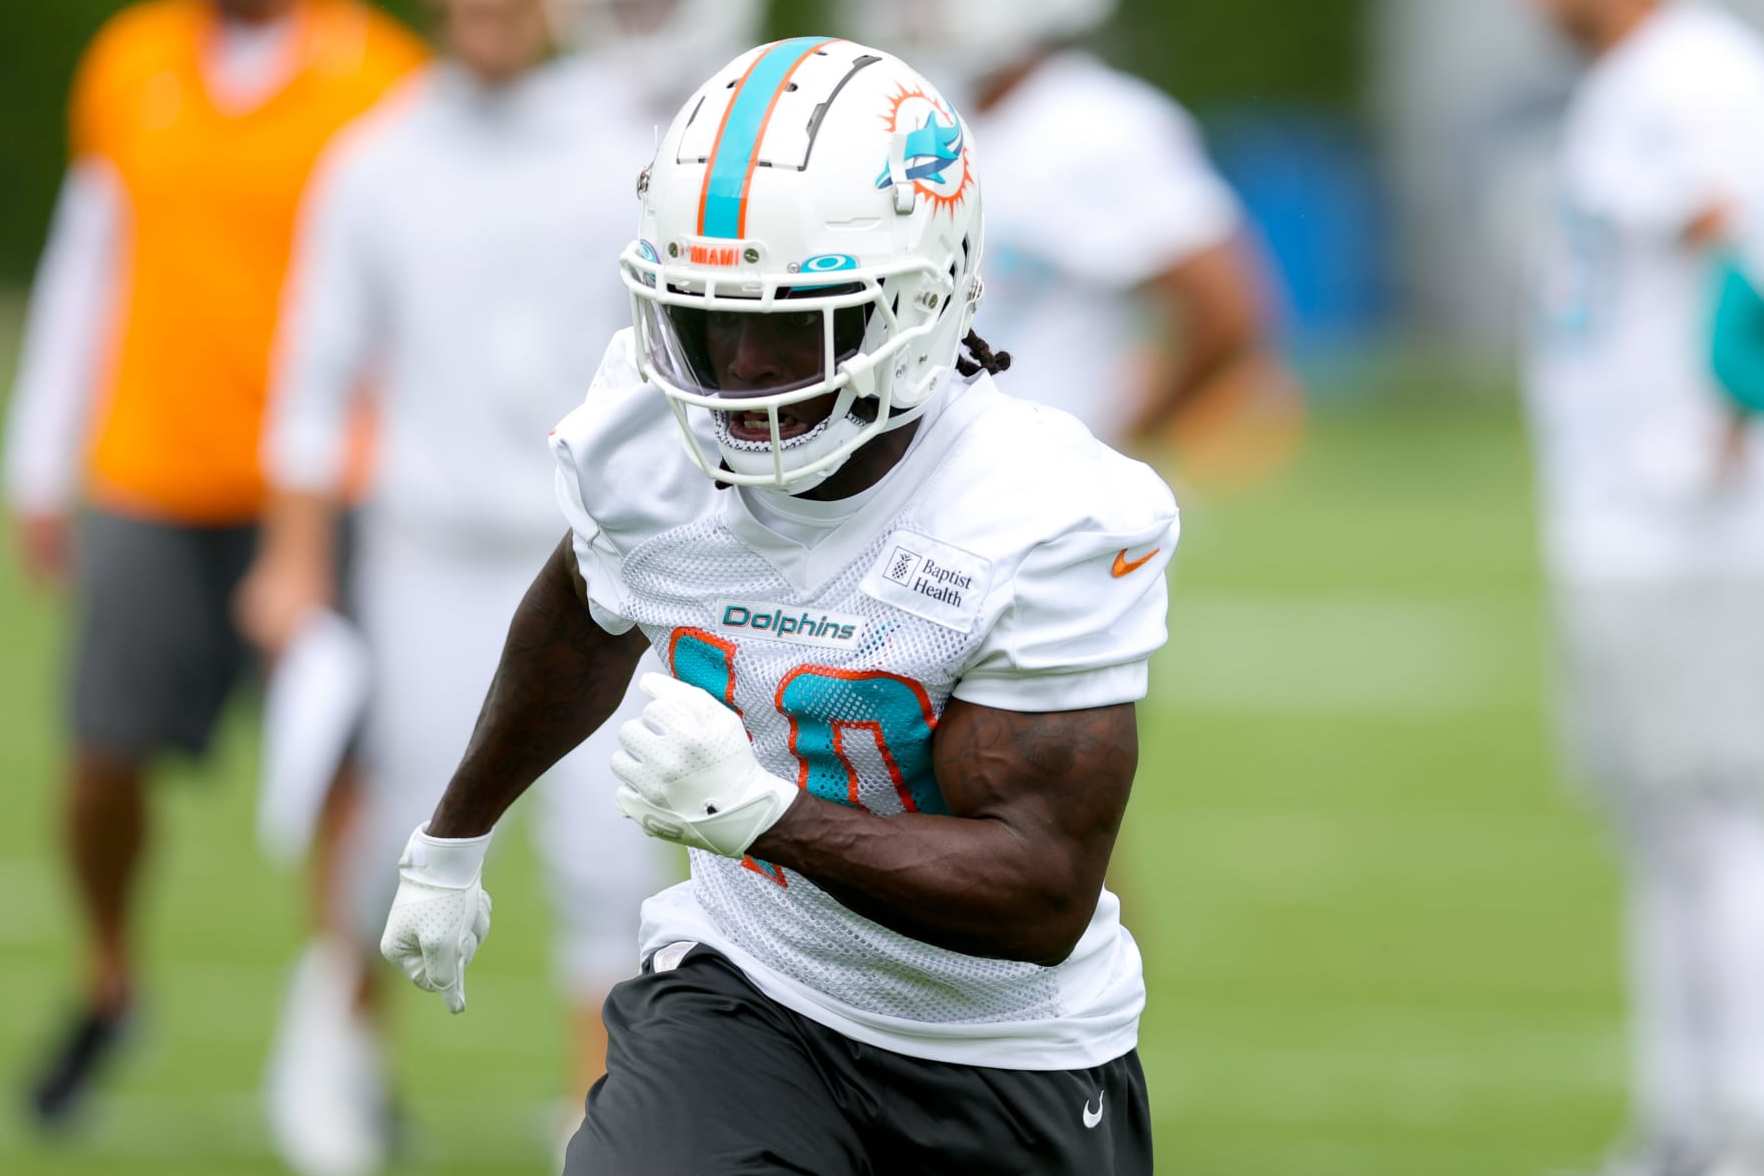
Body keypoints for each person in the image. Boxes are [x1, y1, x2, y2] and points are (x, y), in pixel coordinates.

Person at [365, 36, 1178, 1174]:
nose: (738, 373)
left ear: (921, 301)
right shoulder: (652, 438)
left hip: (1004, 1051)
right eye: (704, 321)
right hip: (746, 991)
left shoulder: (1043, 513)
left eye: (794, 324)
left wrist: (761, 816)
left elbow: (1039, 891)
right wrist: (452, 837)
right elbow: (586, 602)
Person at [243, 1, 761, 1170]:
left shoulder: (624, 151)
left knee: (610, 843)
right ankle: (337, 1053)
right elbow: (315, 377)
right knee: (395, 824)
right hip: (426, 555)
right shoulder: (376, 159)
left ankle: (599, 1101)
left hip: (593, 558)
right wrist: (293, 558)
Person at [1, 0, 424, 1130]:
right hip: (152, 465)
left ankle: (346, 1038)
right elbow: (92, 253)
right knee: (99, 760)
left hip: (328, 472)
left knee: (345, 774)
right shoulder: (134, 56)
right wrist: (39, 455)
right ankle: (109, 977)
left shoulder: (378, 71)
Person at [1527, 2, 1764, 1173]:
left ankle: (1735, 1121)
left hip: (1687, 534)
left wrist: (1723, 424)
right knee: (1670, 831)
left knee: (1718, 829)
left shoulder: (1695, 79)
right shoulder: (1644, 79)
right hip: (1629, 523)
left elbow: (1758, 251)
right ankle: (1689, 1119)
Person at [841, 0, 1285, 450]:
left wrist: (1131, 432)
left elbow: (1226, 310)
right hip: (924, 466)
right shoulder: (923, 114)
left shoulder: (1098, 124)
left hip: (1041, 473)